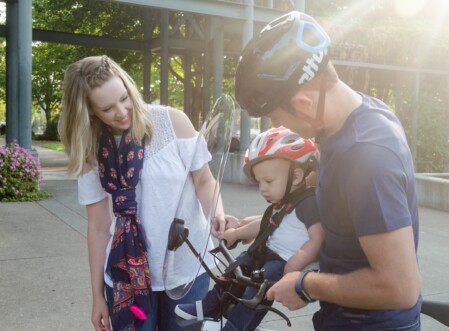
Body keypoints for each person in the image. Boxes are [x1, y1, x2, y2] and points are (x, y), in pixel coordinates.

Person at [234, 11, 422, 330]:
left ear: (306, 104)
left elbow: (400, 288)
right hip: (344, 317)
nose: (279, 126)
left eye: (278, 118)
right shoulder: (351, 119)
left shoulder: (367, 155)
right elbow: (337, 212)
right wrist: (253, 225)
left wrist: (306, 285)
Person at [58, 55, 235, 331]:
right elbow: (99, 227)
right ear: (90, 111)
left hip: (187, 270)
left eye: (124, 97)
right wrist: (96, 296)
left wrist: (218, 213)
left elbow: (203, 181)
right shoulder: (91, 150)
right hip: (126, 280)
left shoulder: (173, 122)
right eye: (107, 108)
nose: (121, 111)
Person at [174, 126, 324, 331]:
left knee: (256, 291)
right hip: (265, 253)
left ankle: (236, 327)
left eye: (268, 181)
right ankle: (209, 306)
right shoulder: (281, 204)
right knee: (239, 265)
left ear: (296, 177)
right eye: (259, 182)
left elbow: (317, 237)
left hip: (284, 261)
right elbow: (266, 225)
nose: (262, 188)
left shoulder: (308, 203)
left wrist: (294, 266)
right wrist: (236, 233)